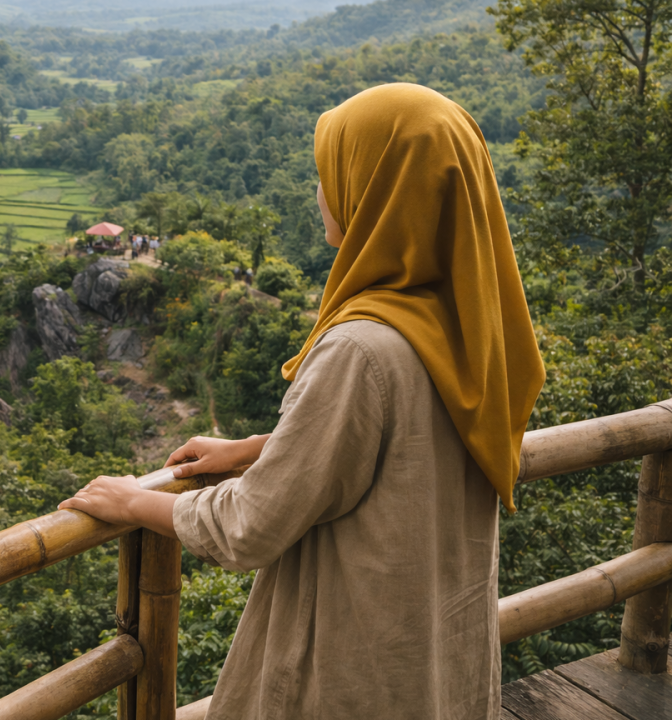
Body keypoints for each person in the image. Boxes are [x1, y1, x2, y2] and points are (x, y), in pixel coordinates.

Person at [59, 83, 545, 719]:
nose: (320, 192)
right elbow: (412, 448)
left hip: (354, 666)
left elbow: (250, 527)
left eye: (330, 173)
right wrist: (268, 448)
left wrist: (131, 500)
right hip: (433, 654)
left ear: (375, 190)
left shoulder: (359, 349)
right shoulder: (471, 326)